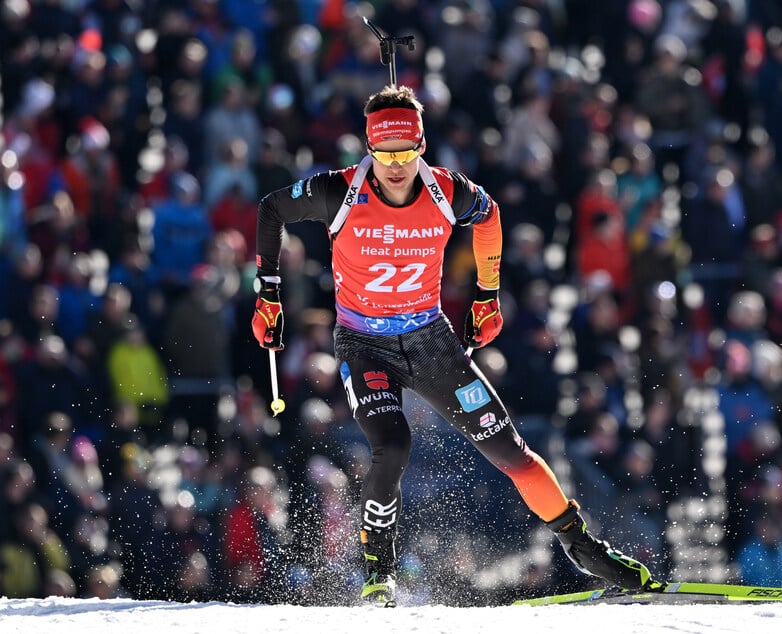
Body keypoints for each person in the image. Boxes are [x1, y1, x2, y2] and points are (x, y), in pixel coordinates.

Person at [250, 84, 652, 606]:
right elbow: (270, 210)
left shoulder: (446, 191)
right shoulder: (340, 191)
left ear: (422, 146)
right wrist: (269, 295)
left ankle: (585, 550)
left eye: (406, 153)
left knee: (513, 454)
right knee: (391, 447)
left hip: (431, 341)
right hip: (364, 342)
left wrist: (487, 294)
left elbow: (489, 218)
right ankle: (379, 570)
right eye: (384, 154)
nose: (395, 167)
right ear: (369, 149)